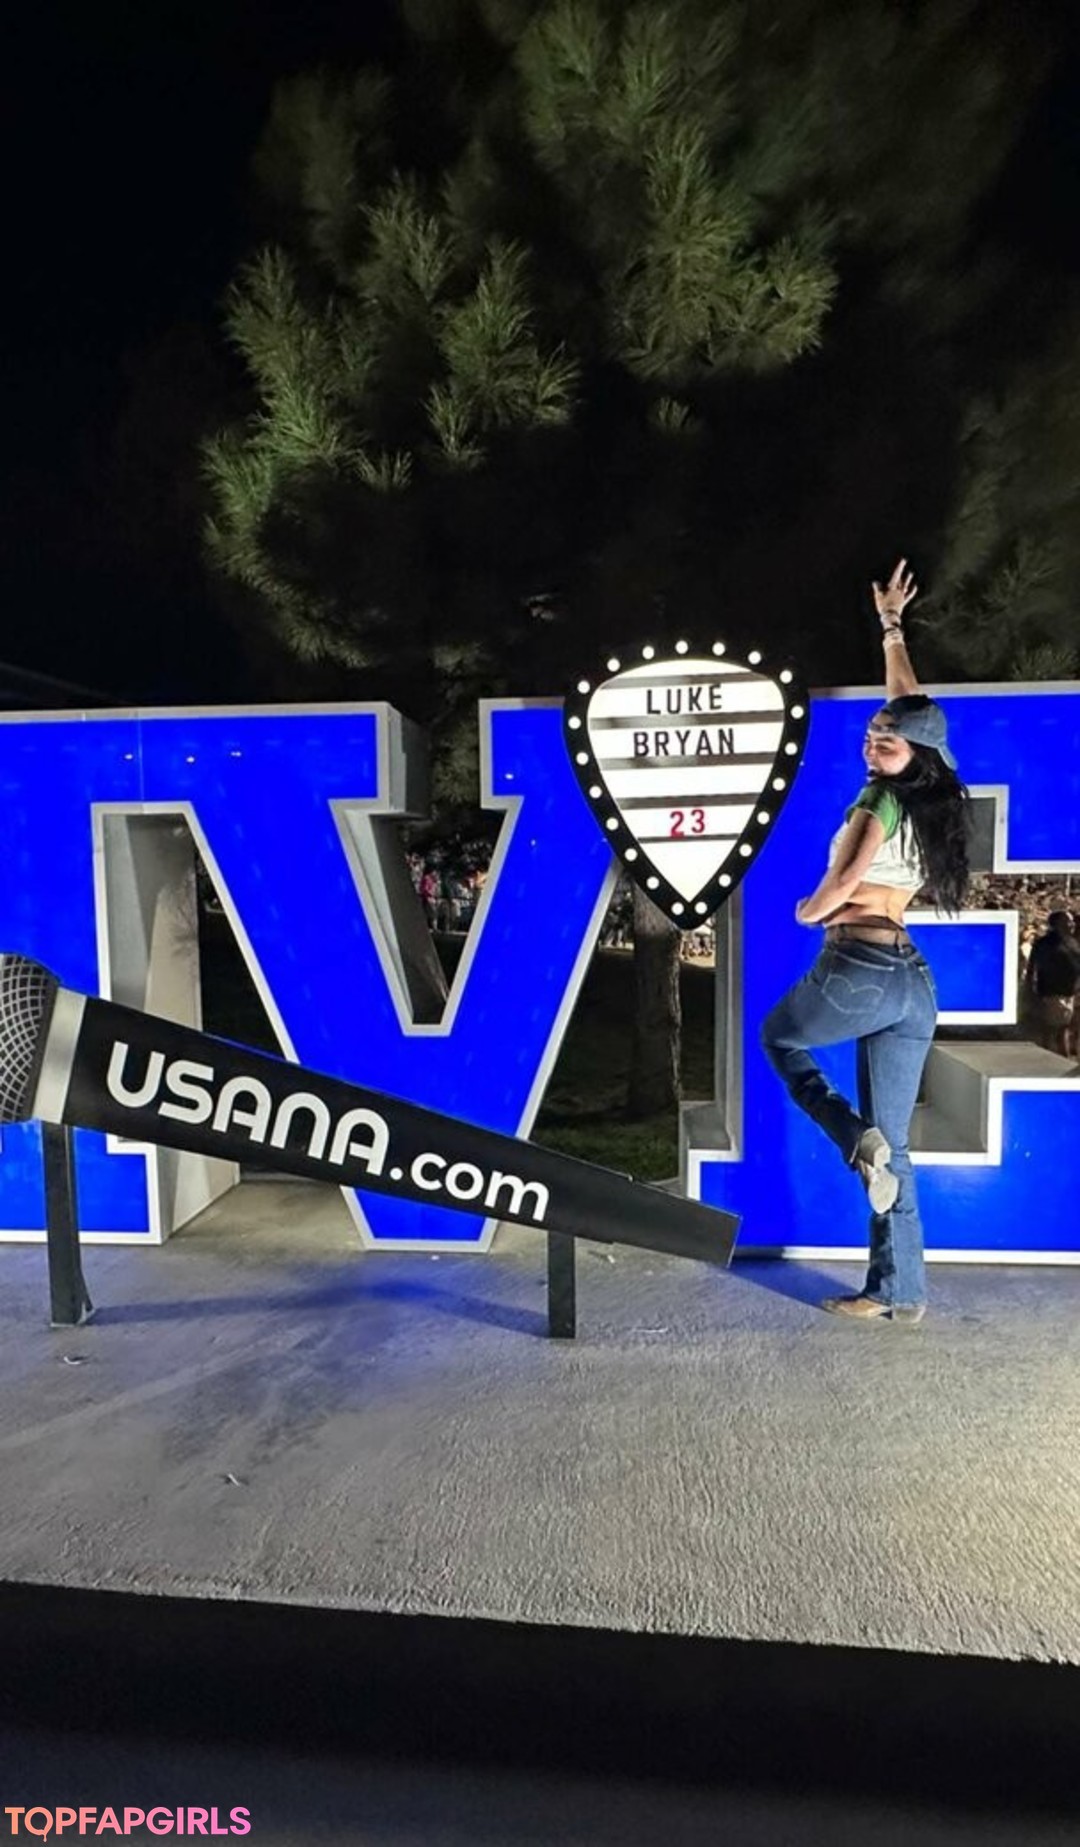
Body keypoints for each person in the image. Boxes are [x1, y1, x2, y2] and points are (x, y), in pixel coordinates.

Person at [760, 559, 972, 1326]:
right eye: (872, 734)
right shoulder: (936, 794)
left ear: (912, 754)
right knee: (898, 1145)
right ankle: (898, 1292)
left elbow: (845, 878)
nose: (874, 742)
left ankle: (855, 1139)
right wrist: (891, 628)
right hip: (913, 980)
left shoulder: (878, 798)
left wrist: (807, 910)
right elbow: (911, 707)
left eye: (887, 740)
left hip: (860, 964)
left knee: (780, 1037)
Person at [1026, 911, 1080, 1059]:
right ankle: (1049, 1059)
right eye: (1068, 922)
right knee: (1052, 1030)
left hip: (1070, 993)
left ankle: (1064, 1058)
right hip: (1052, 994)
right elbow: (1033, 968)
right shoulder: (1046, 944)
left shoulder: (1072, 943)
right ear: (1057, 924)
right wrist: (1032, 991)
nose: (1072, 925)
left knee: (1064, 1030)